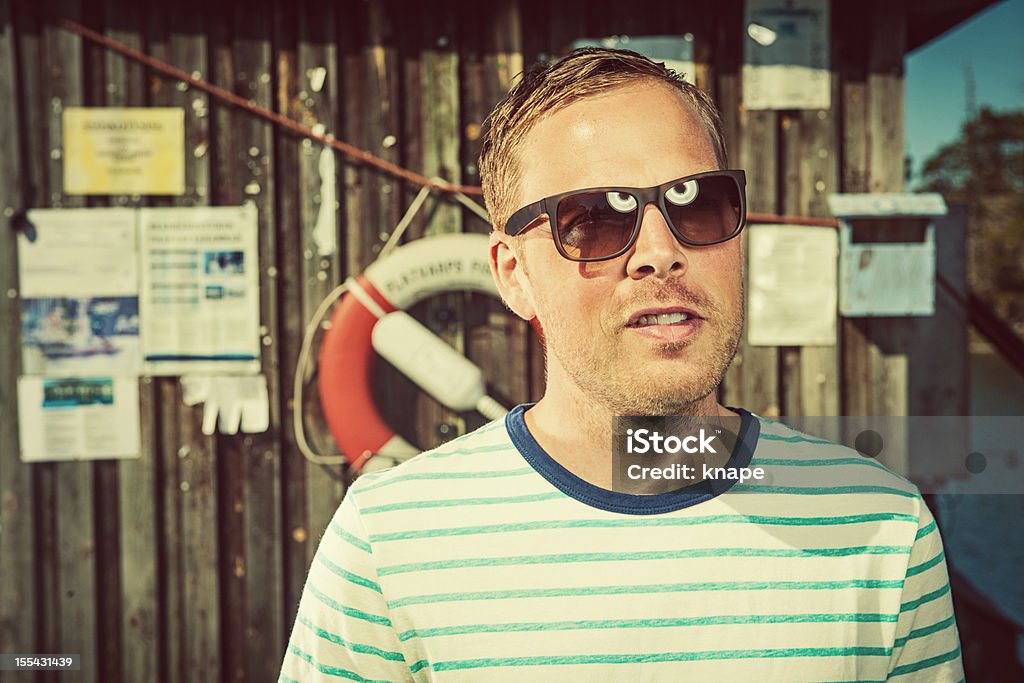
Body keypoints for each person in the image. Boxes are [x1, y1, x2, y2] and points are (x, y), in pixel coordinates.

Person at [279, 48, 963, 681]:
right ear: (513, 274)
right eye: (594, 219)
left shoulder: (886, 527)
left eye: (698, 202)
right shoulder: (386, 540)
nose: (660, 251)